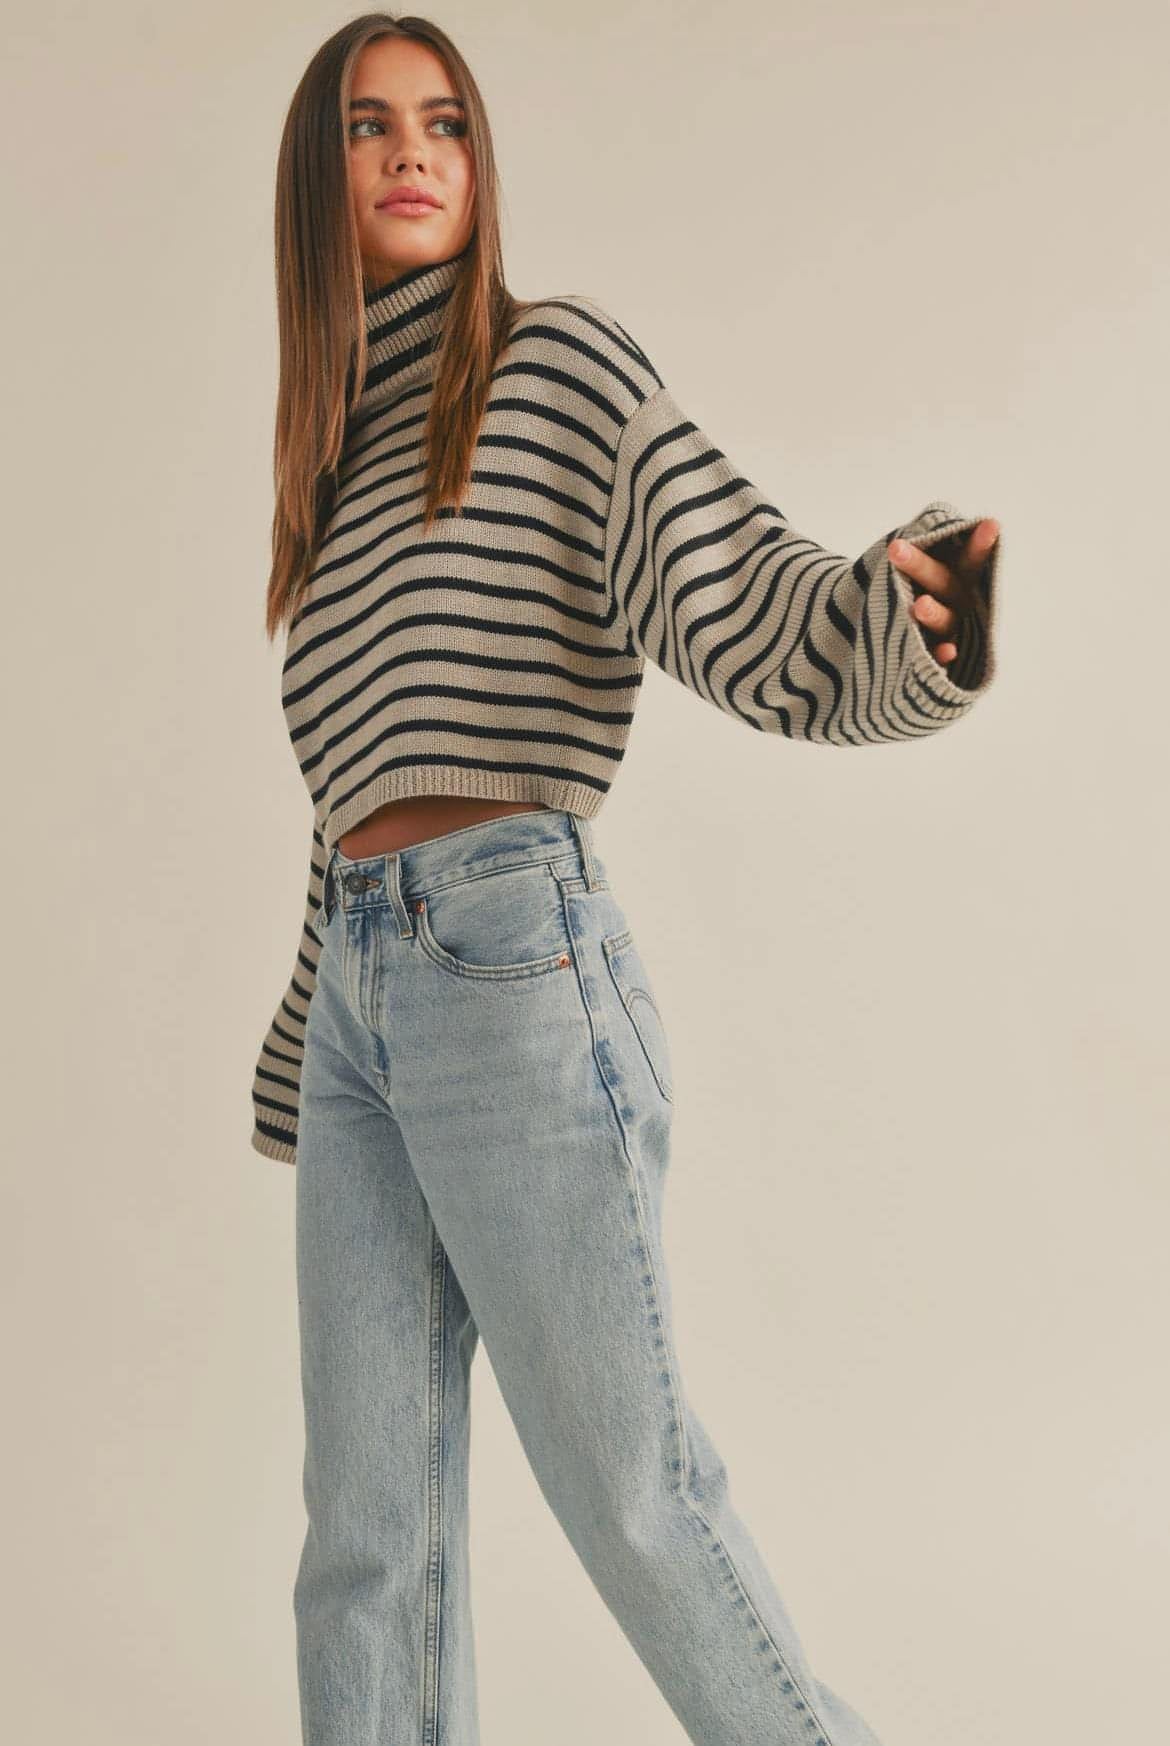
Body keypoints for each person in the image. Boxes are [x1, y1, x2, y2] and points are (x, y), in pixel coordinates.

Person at [250, 15, 1001, 1746]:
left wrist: (899, 618)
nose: (411, 149)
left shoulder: (553, 368)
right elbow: (349, 797)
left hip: (511, 962)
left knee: (632, 1496)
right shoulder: (324, 472)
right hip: (365, 1015)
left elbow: (737, 592)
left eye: (444, 120)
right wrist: (305, 1038)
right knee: (362, 1540)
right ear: (316, 179)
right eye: (366, 125)